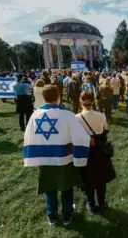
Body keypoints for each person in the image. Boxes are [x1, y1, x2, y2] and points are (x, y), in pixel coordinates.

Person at [23, 85, 90, 226]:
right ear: (59, 96)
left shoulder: (35, 115)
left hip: (45, 159)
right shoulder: (67, 115)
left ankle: (51, 216)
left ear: (43, 97)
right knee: (66, 187)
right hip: (64, 158)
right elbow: (81, 137)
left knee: (49, 188)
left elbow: (29, 136)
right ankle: (67, 216)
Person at [76, 91, 116, 214]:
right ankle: (102, 202)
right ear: (93, 100)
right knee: (101, 177)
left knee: (87, 178)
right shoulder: (101, 115)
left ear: (80, 100)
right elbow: (105, 129)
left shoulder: (76, 118)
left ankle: (90, 203)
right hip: (99, 150)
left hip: (85, 151)